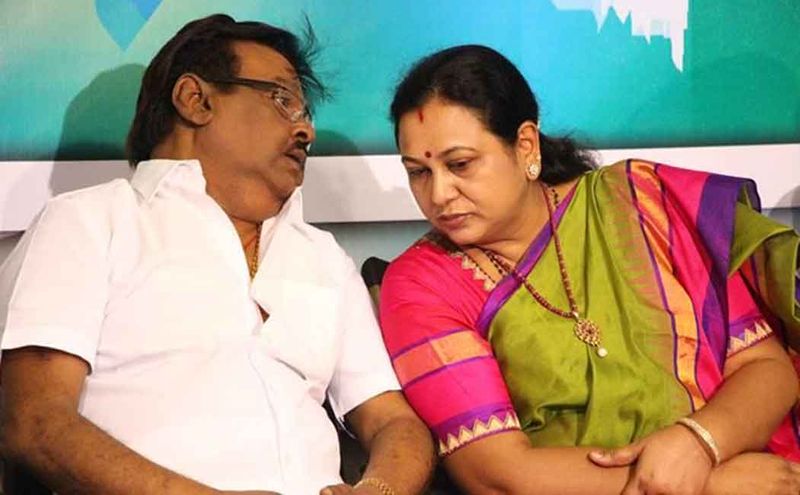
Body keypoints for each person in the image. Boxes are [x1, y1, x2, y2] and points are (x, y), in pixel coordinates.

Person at [0, 14, 435, 495]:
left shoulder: (323, 257)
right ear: (196, 100)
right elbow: (35, 423)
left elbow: (392, 419)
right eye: (283, 100)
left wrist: (379, 488)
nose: (307, 130)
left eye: (306, 112)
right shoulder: (89, 222)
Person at [379, 44, 800, 495]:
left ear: (525, 145)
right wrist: (708, 484)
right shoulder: (421, 285)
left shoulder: (640, 203)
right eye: (418, 172)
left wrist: (700, 444)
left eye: (459, 164)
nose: (439, 194)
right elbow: (497, 475)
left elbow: (765, 366)